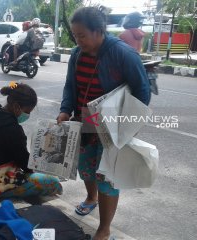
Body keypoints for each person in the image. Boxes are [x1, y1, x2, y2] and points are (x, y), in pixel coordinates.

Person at [56, 6, 150, 240]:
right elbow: (70, 86)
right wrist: (65, 110)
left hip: (112, 126)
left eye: (82, 35)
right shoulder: (77, 55)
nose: (78, 41)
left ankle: (104, 228)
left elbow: (142, 91)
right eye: (75, 36)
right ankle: (91, 198)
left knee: (107, 177)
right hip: (85, 123)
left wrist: (127, 124)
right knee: (86, 168)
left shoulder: (123, 54)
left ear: (98, 31)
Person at [0, 82, 62, 199]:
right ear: (16, 106)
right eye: (27, 112)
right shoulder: (12, 129)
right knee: (53, 181)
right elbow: (25, 163)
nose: (27, 115)